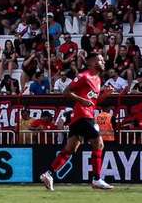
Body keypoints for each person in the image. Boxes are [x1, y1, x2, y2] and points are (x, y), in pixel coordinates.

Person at [39, 52, 114, 191]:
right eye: (101, 60)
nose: (104, 62)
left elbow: (93, 102)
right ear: (92, 62)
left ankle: (48, 174)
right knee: (99, 144)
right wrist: (81, 100)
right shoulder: (83, 76)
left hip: (81, 117)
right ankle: (97, 179)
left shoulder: (97, 79)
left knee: (70, 149)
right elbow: (66, 92)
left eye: (104, 60)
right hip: (83, 116)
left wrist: (104, 95)